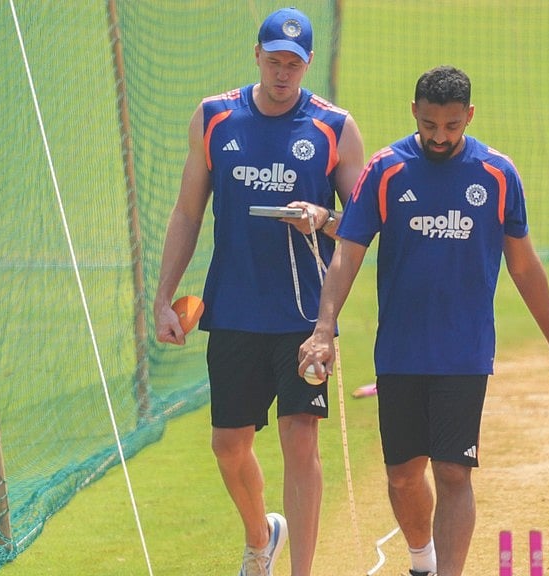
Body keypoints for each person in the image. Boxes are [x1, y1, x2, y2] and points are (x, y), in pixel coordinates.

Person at [297, 65, 549, 576]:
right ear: (414, 113)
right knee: (404, 476)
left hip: (464, 352)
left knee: (453, 472)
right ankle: (421, 561)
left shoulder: (497, 174)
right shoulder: (385, 170)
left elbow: (524, 266)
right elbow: (347, 254)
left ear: (469, 116)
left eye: (451, 126)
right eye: (429, 125)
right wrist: (322, 329)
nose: (439, 137)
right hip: (401, 352)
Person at [152, 7, 365, 576]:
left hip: (303, 317)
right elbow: (187, 212)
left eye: (293, 65)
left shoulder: (334, 127)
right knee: (228, 445)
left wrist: (321, 216)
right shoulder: (215, 116)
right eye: (273, 61)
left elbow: (366, 223)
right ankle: (260, 535)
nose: (282, 74)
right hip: (235, 310)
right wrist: (162, 299)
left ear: (308, 64)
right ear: (257, 55)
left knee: (301, 444)